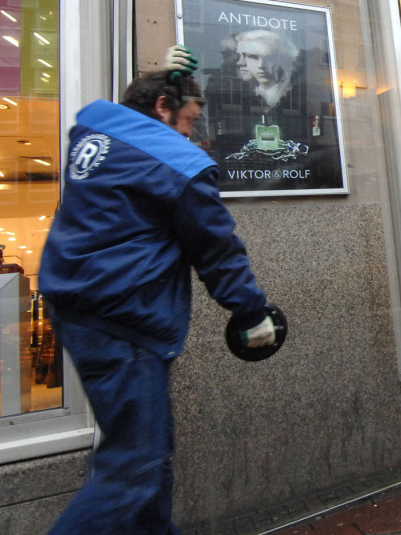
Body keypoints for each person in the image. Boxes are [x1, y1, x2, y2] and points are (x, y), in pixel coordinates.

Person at [39, 46, 281, 534]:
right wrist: (251, 312)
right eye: (188, 121)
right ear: (163, 107)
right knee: (132, 470)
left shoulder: (96, 138)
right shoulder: (177, 163)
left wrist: (163, 77)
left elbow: (132, 124)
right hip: (125, 320)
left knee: (149, 455)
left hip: (79, 309)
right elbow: (216, 250)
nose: (191, 134)